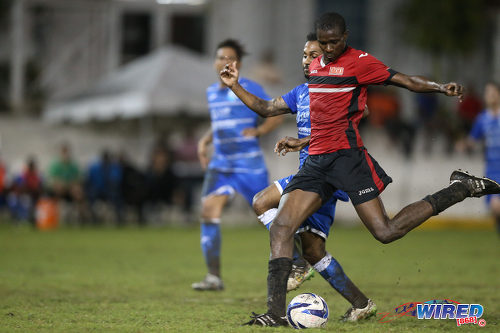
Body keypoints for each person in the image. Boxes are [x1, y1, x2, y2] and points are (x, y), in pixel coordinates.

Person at [231, 12, 500, 326]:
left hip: (349, 161)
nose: (329, 49)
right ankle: (275, 314)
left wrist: (440, 87)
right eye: (324, 43)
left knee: (386, 232)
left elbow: (405, 81)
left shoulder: (359, 62)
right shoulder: (315, 69)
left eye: (334, 42)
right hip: (317, 164)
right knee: (281, 227)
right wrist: (234, 84)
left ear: (345, 37)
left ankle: (461, 188)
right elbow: (270, 108)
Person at [221, 32, 376, 322]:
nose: (307, 61)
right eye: (304, 55)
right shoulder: (302, 92)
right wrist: (235, 86)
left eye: (314, 55)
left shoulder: (336, 88)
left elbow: (361, 111)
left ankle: (295, 272)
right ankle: (360, 303)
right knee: (312, 249)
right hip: (306, 175)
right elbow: (266, 108)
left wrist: (309, 140)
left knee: (269, 210)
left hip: (326, 176)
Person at [192, 39, 284, 291]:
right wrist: (205, 140)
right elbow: (220, 123)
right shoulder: (212, 93)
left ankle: (298, 262)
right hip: (220, 165)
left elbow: (274, 113)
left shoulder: (250, 88)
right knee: (208, 213)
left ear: (238, 64)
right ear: (214, 62)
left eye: (228, 58)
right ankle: (213, 277)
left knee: (270, 218)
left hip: (249, 166)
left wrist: (260, 130)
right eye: (219, 57)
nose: (223, 62)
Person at [458, 82, 500, 233]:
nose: (488, 96)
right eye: (486, 93)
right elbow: (472, 139)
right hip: (492, 170)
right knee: (495, 210)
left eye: (491, 92)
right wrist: (463, 144)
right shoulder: (483, 119)